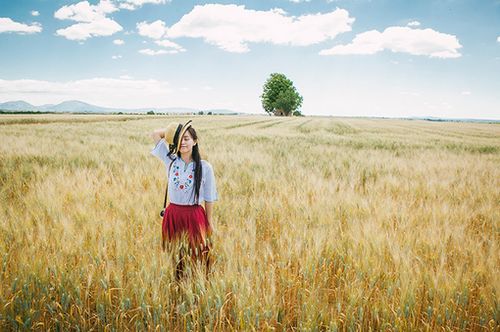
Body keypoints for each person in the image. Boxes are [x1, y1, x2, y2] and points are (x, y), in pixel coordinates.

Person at [151, 120, 218, 279]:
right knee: (175, 257)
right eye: (180, 140)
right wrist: (176, 131)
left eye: (187, 138)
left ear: (195, 141)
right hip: (173, 214)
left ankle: (198, 288)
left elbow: (209, 197)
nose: (183, 143)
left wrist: (209, 221)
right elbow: (155, 134)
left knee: (197, 257)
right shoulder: (171, 161)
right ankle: (178, 289)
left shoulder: (204, 167)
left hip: (194, 216)